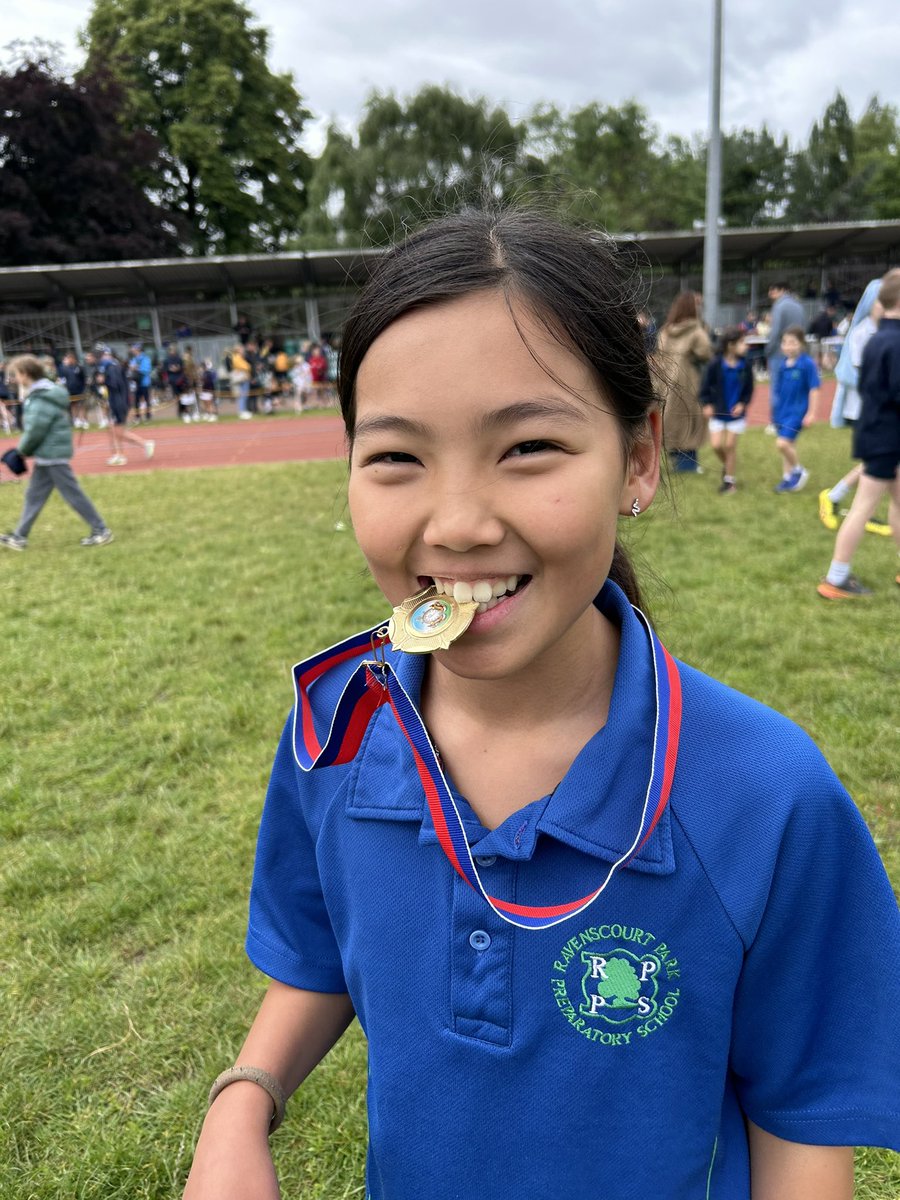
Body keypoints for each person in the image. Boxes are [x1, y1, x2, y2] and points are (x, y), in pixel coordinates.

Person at [182, 209, 900, 1200]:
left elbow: (804, 1129)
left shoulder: (769, 798)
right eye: (395, 457)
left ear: (639, 458)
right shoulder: (335, 730)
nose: (460, 523)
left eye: (527, 448)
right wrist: (241, 1104)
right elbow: (318, 956)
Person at [817, 268, 900, 599]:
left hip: (881, 433)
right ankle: (836, 577)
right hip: (886, 437)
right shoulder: (893, 340)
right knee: (865, 505)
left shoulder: (881, 336)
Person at [0, 355, 113, 550]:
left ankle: (101, 530)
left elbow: (36, 429)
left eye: (17, 374)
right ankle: (20, 536)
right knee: (34, 496)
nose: (15, 378)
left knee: (73, 495)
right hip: (48, 455)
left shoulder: (40, 396)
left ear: (26, 374)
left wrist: (20, 451)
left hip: (52, 455)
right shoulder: (44, 392)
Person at [820, 278, 891, 537]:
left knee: (880, 462)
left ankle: (850, 505)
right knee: (880, 461)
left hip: (874, 408)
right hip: (868, 409)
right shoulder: (865, 332)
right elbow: (868, 377)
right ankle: (838, 498)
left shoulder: (880, 330)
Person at [655, 291, 713, 472]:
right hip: (688, 380)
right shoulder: (696, 331)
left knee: (670, 417)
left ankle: (675, 455)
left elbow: (660, 351)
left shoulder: (666, 330)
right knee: (690, 419)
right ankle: (688, 463)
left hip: (666, 379)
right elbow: (706, 353)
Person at [700, 326, 754, 493]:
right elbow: (705, 387)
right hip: (718, 411)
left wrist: (742, 404)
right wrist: (707, 404)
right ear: (731, 345)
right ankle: (727, 466)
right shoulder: (715, 364)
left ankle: (729, 482)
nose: (746, 346)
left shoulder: (745, 366)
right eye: (742, 342)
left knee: (730, 445)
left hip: (736, 414)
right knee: (716, 445)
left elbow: (749, 389)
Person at [772, 325, 819, 492]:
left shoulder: (807, 364)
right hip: (782, 412)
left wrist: (811, 413)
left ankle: (799, 470)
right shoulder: (782, 365)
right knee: (788, 445)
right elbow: (777, 391)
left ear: (801, 344)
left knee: (782, 444)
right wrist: (774, 413)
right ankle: (787, 479)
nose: (788, 346)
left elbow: (814, 388)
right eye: (785, 342)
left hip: (797, 412)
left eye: (792, 342)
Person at [98, 347, 154, 466]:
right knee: (112, 429)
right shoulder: (113, 367)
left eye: (105, 355)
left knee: (118, 431)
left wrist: (103, 381)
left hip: (119, 402)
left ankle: (143, 444)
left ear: (110, 356)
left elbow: (115, 385)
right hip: (117, 401)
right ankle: (118, 454)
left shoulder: (113, 368)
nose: (103, 357)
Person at [764, 282, 805, 428]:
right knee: (795, 387)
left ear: (782, 290)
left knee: (777, 388)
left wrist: (768, 350)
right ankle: (794, 420)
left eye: (773, 290)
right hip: (796, 351)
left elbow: (775, 332)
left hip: (778, 352)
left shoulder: (779, 306)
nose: (770, 294)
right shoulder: (798, 305)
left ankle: (776, 423)